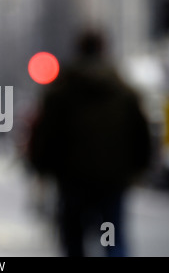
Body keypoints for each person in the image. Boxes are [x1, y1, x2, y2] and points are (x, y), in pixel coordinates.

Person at [27, 30, 152, 257]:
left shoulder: (61, 93)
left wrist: (40, 168)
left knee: (74, 239)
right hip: (112, 180)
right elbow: (141, 136)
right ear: (104, 50)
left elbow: (45, 135)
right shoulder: (124, 93)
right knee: (113, 237)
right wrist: (138, 169)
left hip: (72, 179)